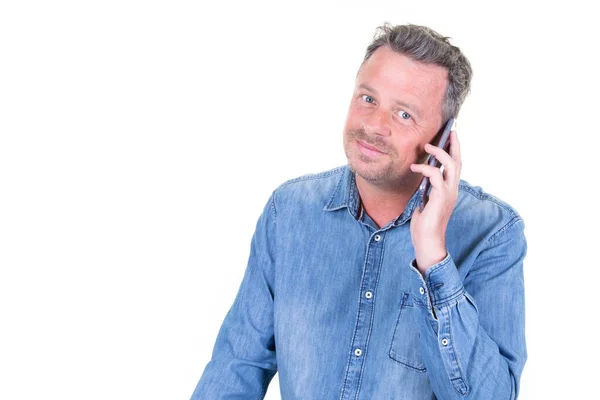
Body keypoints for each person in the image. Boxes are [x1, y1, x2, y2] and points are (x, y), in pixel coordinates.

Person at [190, 23, 527, 399]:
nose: (374, 126)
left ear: (444, 138)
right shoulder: (288, 213)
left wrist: (434, 258)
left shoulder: (492, 232)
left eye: (404, 115)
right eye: (368, 99)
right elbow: (237, 367)